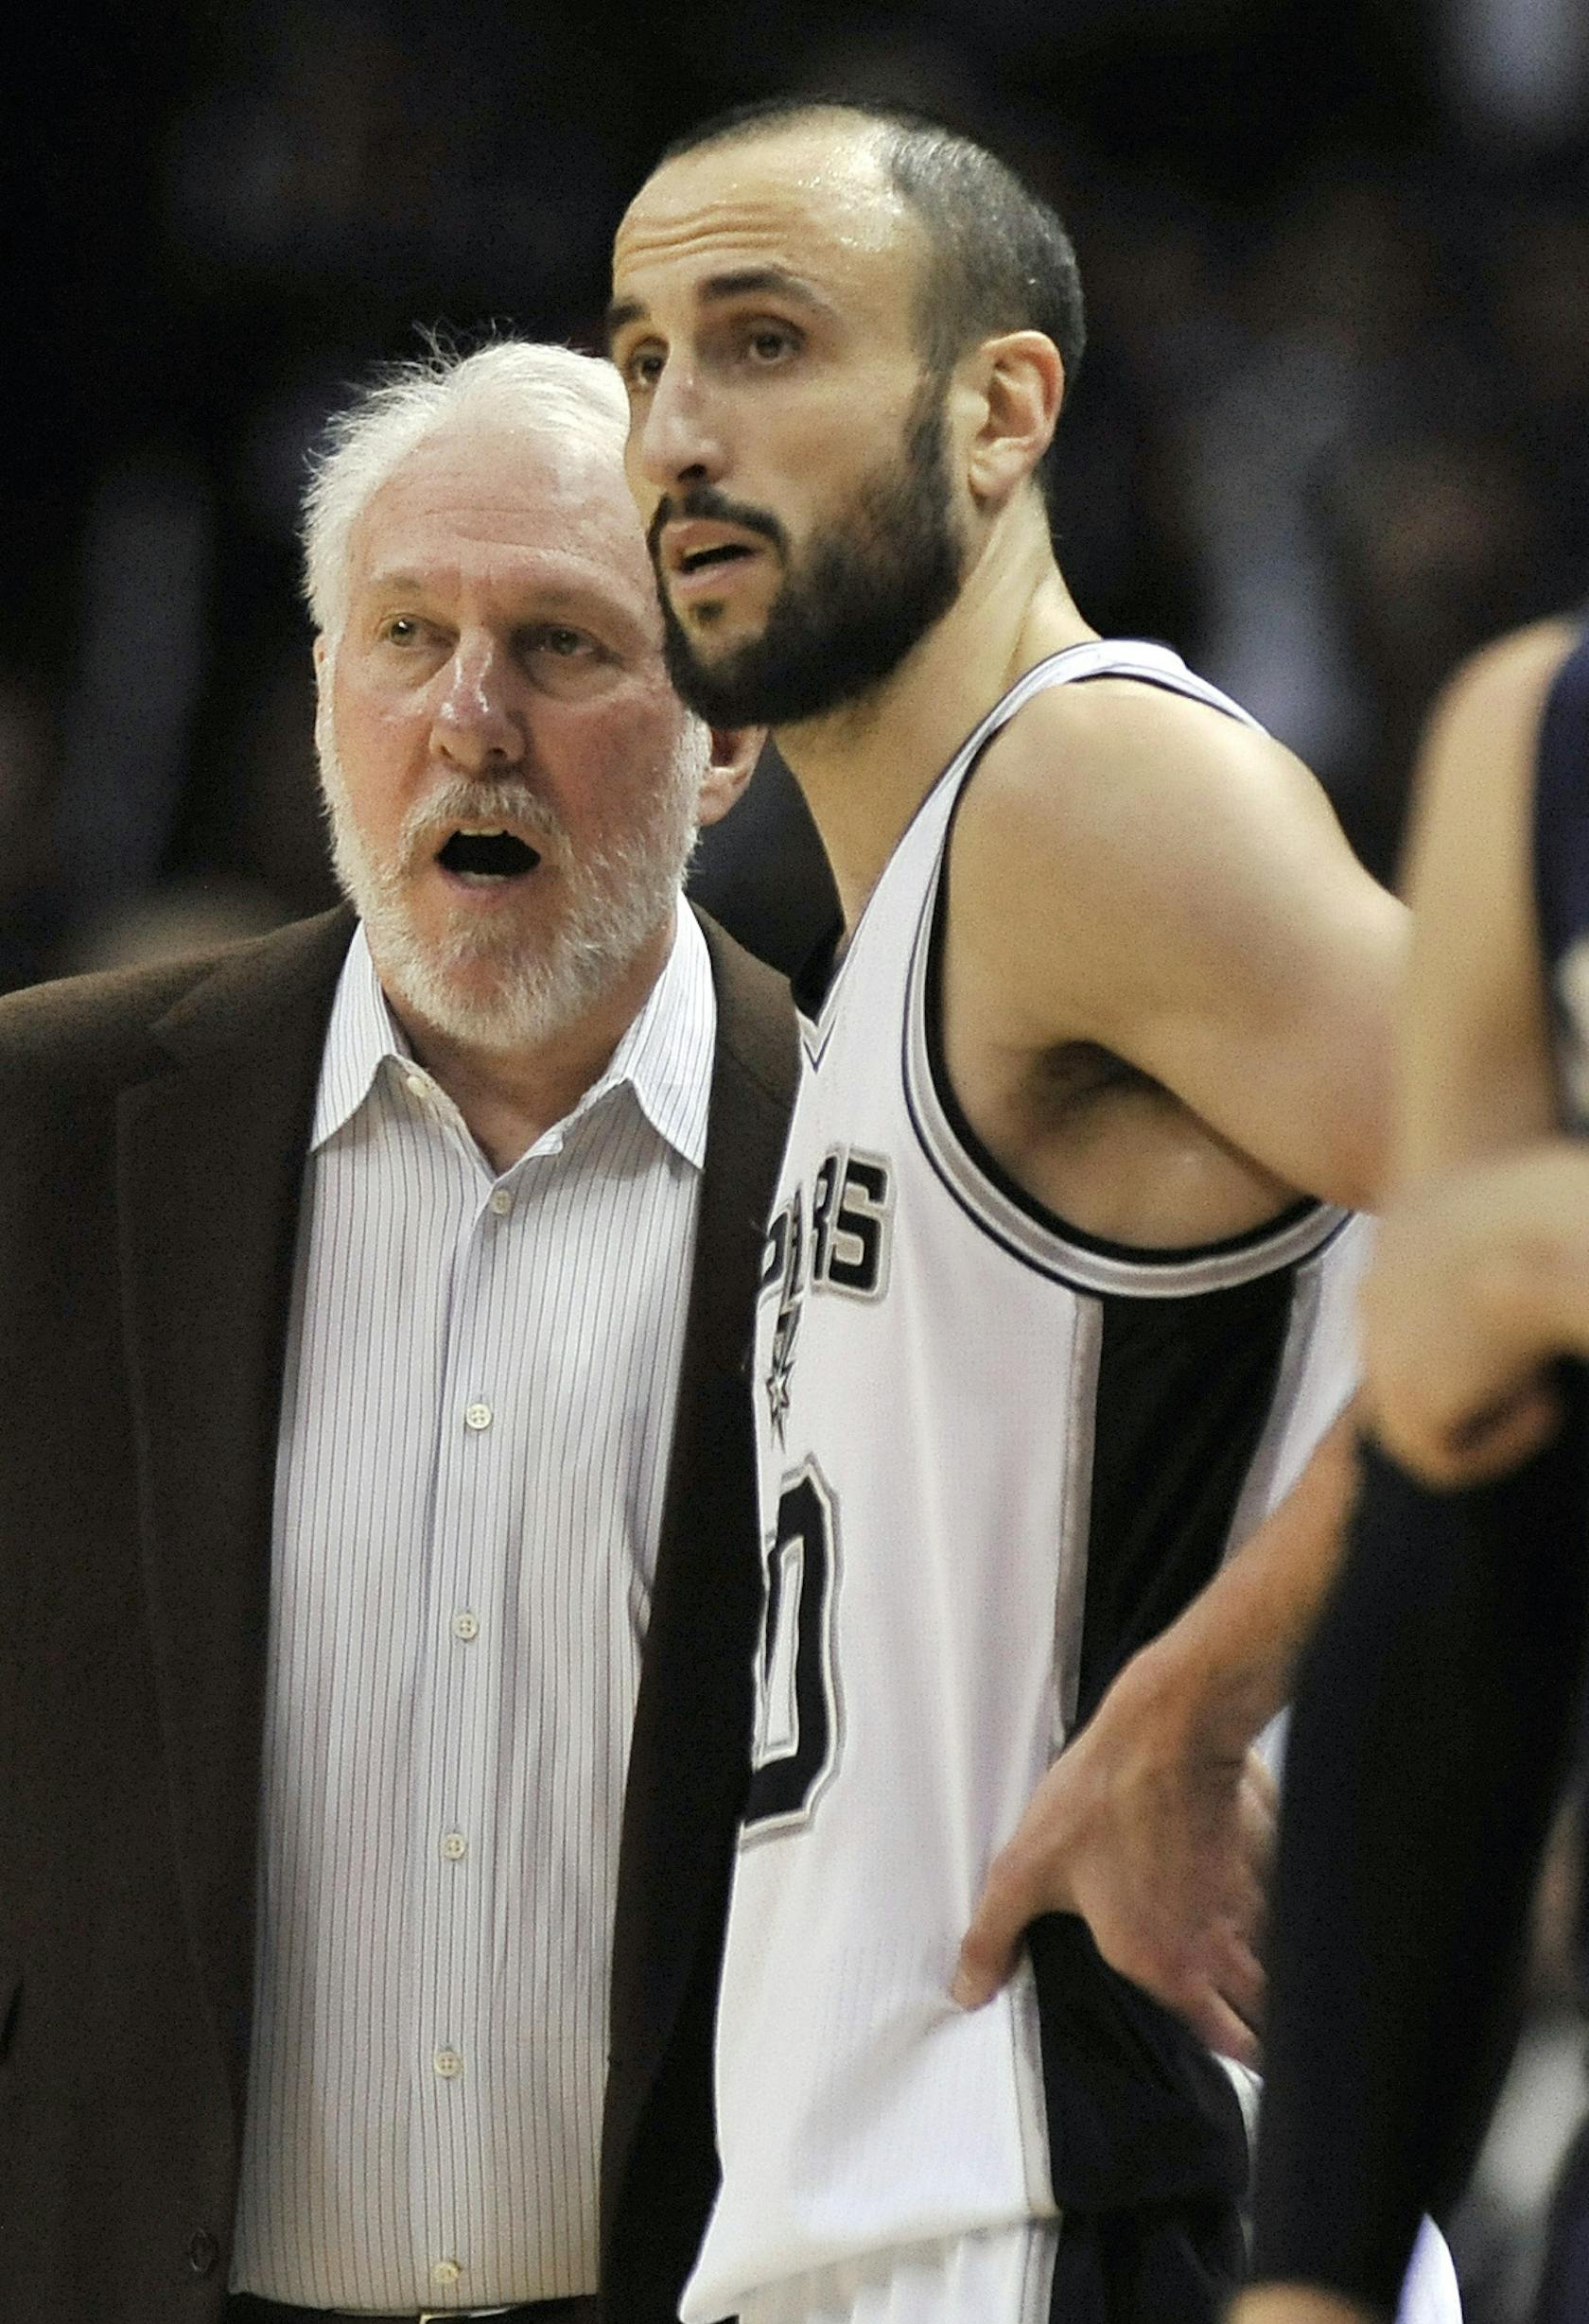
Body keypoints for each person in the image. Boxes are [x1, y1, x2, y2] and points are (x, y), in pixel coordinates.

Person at [0, 341, 796, 2322]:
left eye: (565, 645)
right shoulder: (13, 1132)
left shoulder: (869, 1166)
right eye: (408, 633)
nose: (471, 716)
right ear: (322, 697)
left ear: (728, 732)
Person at [605, 98, 1458, 2324]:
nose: (678, 431)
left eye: (764, 341)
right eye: (637, 361)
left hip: (1096, 2207)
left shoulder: (1091, 789)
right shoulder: (878, 954)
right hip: (905, 2221)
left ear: (999, 409)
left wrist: (1189, 1713)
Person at [1236, 616, 1589, 2324]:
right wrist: (1317, 2256)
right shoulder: (1535, 737)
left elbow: (1493, 1272)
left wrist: (1540, 1247)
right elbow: (1458, 1519)